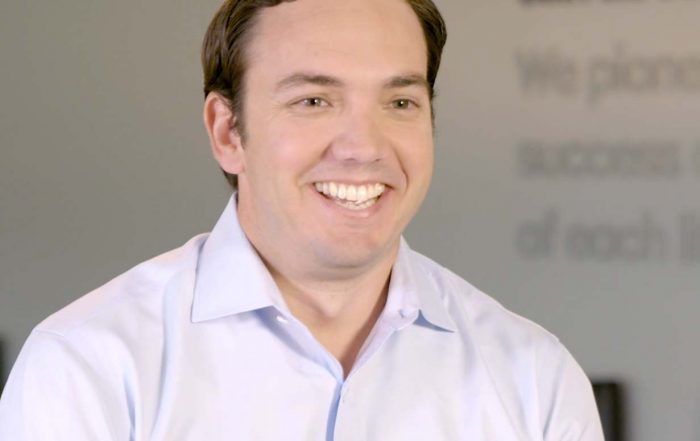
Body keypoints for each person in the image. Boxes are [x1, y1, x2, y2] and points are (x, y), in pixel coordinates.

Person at [0, 0, 604, 439]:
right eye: (313, 101)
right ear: (228, 132)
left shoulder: (535, 380)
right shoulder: (89, 367)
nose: (364, 147)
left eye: (400, 102)